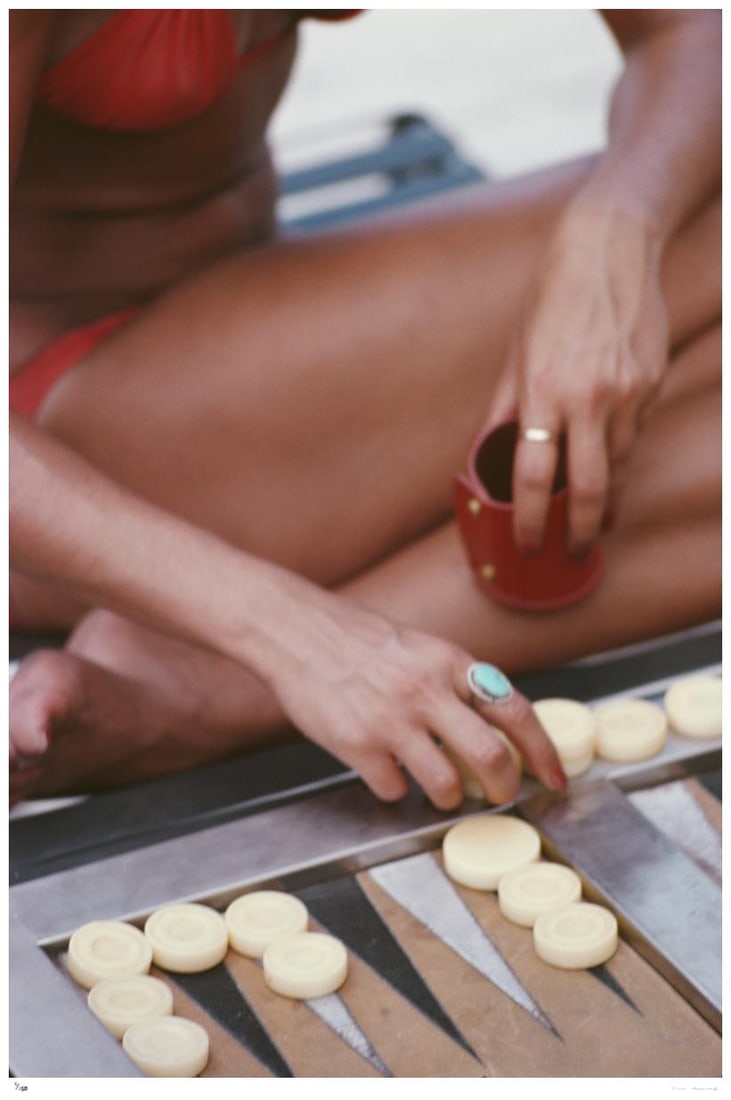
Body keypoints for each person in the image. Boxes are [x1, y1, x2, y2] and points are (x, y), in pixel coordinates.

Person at [9, 9, 721, 808]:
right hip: (54, 457)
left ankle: (210, 695)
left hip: (237, 354)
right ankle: (245, 655)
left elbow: (686, 29)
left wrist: (613, 236)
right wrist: (294, 634)